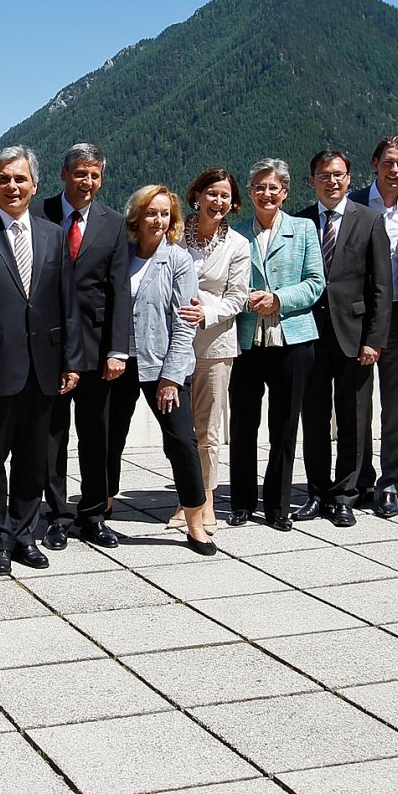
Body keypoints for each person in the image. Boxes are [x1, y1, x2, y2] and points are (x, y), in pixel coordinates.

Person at [0, 145, 82, 575]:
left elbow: (68, 303)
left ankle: (24, 535)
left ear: (35, 185)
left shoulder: (54, 236)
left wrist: (72, 360)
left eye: (20, 179)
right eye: (4, 179)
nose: (12, 186)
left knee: (34, 458)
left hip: (44, 368)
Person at [109, 186, 211, 553]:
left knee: (181, 441)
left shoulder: (178, 260)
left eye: (165, 213)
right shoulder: (121, 254)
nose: (158, 220)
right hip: (121, 363)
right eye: (152, 212)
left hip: (163, 367)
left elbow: (185, 322)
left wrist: (171, 376)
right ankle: (103, 506)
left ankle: (195, 522)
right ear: (137, 216)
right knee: (109, 438)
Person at [294, 149, 391, 527]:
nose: (331, 181)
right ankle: (317, 492)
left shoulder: (369, 220)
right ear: (312, 181)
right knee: (314, 418)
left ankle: (346, 495)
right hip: (309, 335)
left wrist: (374, 339)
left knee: (354, 418)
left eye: (338, 174)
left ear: (349, 178)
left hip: (355, 335)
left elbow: (381, 286)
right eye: (323, 175)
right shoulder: (300, 221)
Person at [41, 143, 131, 550]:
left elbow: (119, 290)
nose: (87, 181)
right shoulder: (38, 214)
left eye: (94, 175)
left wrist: (117, 350)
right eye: (80, 173)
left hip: (97, 349)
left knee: (96, 434)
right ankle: (57, 515)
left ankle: (93, 514)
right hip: (50, 346)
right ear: (64, 174)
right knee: (52, 436)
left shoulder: (114, 223)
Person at [228, 159, 324, 529]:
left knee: (284, 425)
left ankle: (277, 505)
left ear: (285, 192)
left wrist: (279, 299)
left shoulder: (303, 229)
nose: (266, 194)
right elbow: (226, 284)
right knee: (243, 423)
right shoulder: (236, 233)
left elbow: (315, 283)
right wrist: (248, 299)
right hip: (246, 340)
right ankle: (241, 502)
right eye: (259, 187)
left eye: (274, 187)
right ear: (249, 192)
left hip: (293, 338)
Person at [351, 136, 398, 518]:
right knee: (357, 402)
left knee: (396, 403)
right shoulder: (355, 203)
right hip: (360, 314)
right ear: (375, 163)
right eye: (388, 162)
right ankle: (360, 478)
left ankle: (391, 481)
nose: (394, 170)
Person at [175, 168, 250, 531]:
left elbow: (237, 297)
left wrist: (206, 311)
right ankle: (184, 500)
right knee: (179, 431)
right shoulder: (175, 234)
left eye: (225, 196)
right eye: (212, 193)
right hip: (174, 345)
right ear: (197, 196)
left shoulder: (238, 245)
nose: (217, 201)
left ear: (233, 203)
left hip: (215, 345)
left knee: (208, 430)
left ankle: (205, 500)